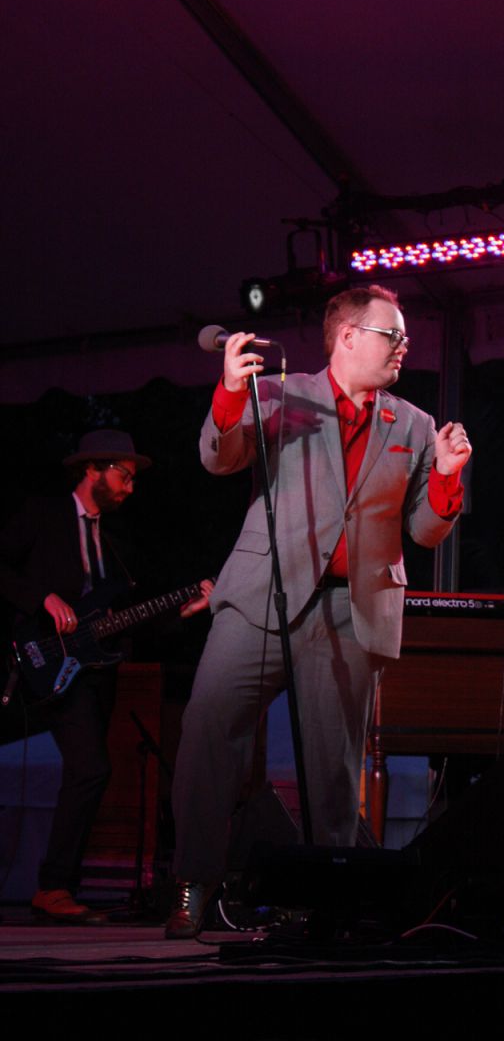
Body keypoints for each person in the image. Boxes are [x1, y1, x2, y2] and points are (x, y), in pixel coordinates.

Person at [166, 284, 472, 938]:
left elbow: (422, 530)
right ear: (349, 337)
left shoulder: (414, 425)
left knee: (333, 766)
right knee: (207, 732)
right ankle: (195, 880)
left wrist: (446, 475)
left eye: (406, 337)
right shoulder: (281, 395)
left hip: (350, 610)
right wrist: (227, 392)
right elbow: (220, 458)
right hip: (258, 596)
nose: (405, 347)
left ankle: (331, 898)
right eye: (394, 335)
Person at [0, 430, 211, 922]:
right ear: (92, 469)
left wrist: (184, 611)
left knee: (89, 771)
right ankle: (53, 887)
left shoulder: (115, 547)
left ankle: (55, 889)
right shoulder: (42, 516)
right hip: (39, 658)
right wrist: (42, 598)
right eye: (124, 475)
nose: (130, 488)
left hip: (91, 673)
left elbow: (118, 620)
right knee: (91, 769)